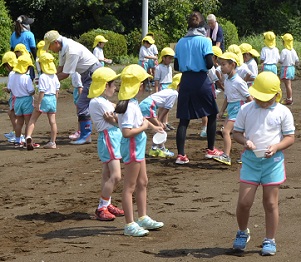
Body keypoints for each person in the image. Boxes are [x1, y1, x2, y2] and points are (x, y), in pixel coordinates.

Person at [232, 71, 295, 256]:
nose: (262, 102)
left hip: (272, 163)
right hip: (251, 161)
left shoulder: (283, 111)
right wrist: (245, 142)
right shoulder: (246, 109)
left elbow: (290, 137)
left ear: (277, 95)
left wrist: (276, 146)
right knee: (244, 202)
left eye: (266, 99)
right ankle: (242, 232)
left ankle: (270, 239)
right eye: (259, 98)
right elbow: (236, 133)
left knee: (270, 203)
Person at [115, 64, 164, 237]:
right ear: (139, 86)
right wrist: (145, 127)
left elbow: (142, 119)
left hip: (138, 146)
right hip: (133, 146)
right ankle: (129, 224)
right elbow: (127, 132)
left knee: (143, 181)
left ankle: (142, 217)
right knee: (130, 186)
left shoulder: (131, 103)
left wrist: (153, 127)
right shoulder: (128, 106)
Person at [174, 11, 221, 164]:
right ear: (203, 25)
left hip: (186, 80)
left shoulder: (180, 42)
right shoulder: (205, 41)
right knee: (212, 113)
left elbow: (176, 66)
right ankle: (210, 149)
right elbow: (208, 64)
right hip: (201, 80)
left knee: (184, 119)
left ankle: (181, 155)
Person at [43, 30, 101, 145]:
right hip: (88, 74)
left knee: (82, 104)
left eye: (49, 46)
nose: (49, 49)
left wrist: (47, 82)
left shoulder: (71, 50)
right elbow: (60, 68)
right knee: (95, 103)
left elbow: (65, 74)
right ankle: (85, 133)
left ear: (56, 42)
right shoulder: (63, 48)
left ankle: (86, 135)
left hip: (93, 74)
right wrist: (47, 77)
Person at [88, 67, 124, 221]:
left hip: (111, 137)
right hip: (109, 137)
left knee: (107, 174)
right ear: (104, 86)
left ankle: (106, 202)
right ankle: (102, 206)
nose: (115, 87)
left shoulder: (100, 101)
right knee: (116, 176)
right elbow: (118, 118)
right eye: (113, 84)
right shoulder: (99, 102)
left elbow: (117, 114)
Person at [213, 52, 252, 166]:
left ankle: (226, 156)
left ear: (232, 65)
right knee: (239, 135)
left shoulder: (239, 81)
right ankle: (248, 155)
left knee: (225, 131)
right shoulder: (227, 80)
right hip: (231, 110)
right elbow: (227, 97)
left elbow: (248, 98)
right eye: (220, 65)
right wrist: (221, 111)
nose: (221, 67)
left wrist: (256, 110)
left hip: (238, 110)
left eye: (224, 64)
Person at [139, 73, 181, 158]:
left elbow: (162, 108)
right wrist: (159, 121)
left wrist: (159, 121)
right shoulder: (174, 94)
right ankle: (160, 149)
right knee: (160, 128)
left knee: (158, 127)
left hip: (146, 105)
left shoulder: (169, 90)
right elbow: (166, 109)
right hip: (148, 106)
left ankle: (154, 149)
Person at [26, 52, 60, 150]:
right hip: (53, 98)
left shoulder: (42, 77)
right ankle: (53, 142)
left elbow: (42, 91)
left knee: (33, 119)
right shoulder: (54, 76)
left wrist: (38, 103)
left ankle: (28, 136)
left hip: (44, 98)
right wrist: (55, 101)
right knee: (53, 122)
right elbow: (57, 91)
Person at [7, 55, 35, 148]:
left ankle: (18, 140)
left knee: (19, 122)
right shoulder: (27, 77)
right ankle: (28, 138)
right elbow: (31, 91)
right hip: (26, 100)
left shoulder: (12, 76)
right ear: (27, 67)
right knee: (28, 122)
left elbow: (9, 88)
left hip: (17, 100)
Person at [153, 47, 175, 131]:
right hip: (162, 87)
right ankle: (159, 123)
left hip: (169, 86)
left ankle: (165, 123)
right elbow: (156, 80)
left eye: (171, 58)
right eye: (169, 58)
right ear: (163, 58)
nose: (170, 60)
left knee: (167, 106)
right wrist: (156, 91)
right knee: (162, 107)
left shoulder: (169, 67)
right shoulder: (159, 68)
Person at [1, 52, 18, 143]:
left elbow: (10, 88)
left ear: (8, 64)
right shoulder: (19, 69)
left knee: (11, 114)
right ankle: (15, 132)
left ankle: (17, 134)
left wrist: (6, 89)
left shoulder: (12, 73)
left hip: (15, 97)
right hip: (20, 96)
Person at [279, 33, 299, 105]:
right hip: (292, 68)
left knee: (287, 84)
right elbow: (297, 60)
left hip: (286, 68)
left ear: (284, 42)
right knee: (288, 84)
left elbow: (281, 60)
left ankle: (289, 99)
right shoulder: (293, 50)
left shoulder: (284, 51)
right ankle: (289, 98)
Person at [69, 72, 83, 141]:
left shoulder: (77, 73)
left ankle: (80, 131)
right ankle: (80, 131)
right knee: (80, 114)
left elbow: (80, 86)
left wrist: (81, 100)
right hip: (77, 91)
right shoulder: (75, 72)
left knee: (80, 114)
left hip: (78, 92)